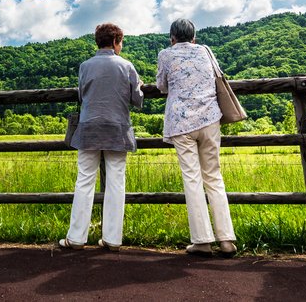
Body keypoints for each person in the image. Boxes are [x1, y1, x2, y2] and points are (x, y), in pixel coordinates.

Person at [156, 18, 237, 257]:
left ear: (172, 38)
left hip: (182, 123)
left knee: (192, 179)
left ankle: (202, 241)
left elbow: (161, 85)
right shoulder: (206, 51)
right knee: (214, 176)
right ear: (194, 37)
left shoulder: (166, 55)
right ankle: (226, 239)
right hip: (210, 119)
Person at [59, 23, 144, 251]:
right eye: (121, 41)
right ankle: (113, 239)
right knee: (117, 182)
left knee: (84, 181)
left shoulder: (85, 66)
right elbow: (137, 101)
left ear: (98, 41)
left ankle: (76, 238)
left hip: (89, 128)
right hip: (117, 129)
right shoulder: (127, 66)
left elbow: (81, 94)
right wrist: (140, 87)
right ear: (116, 41)